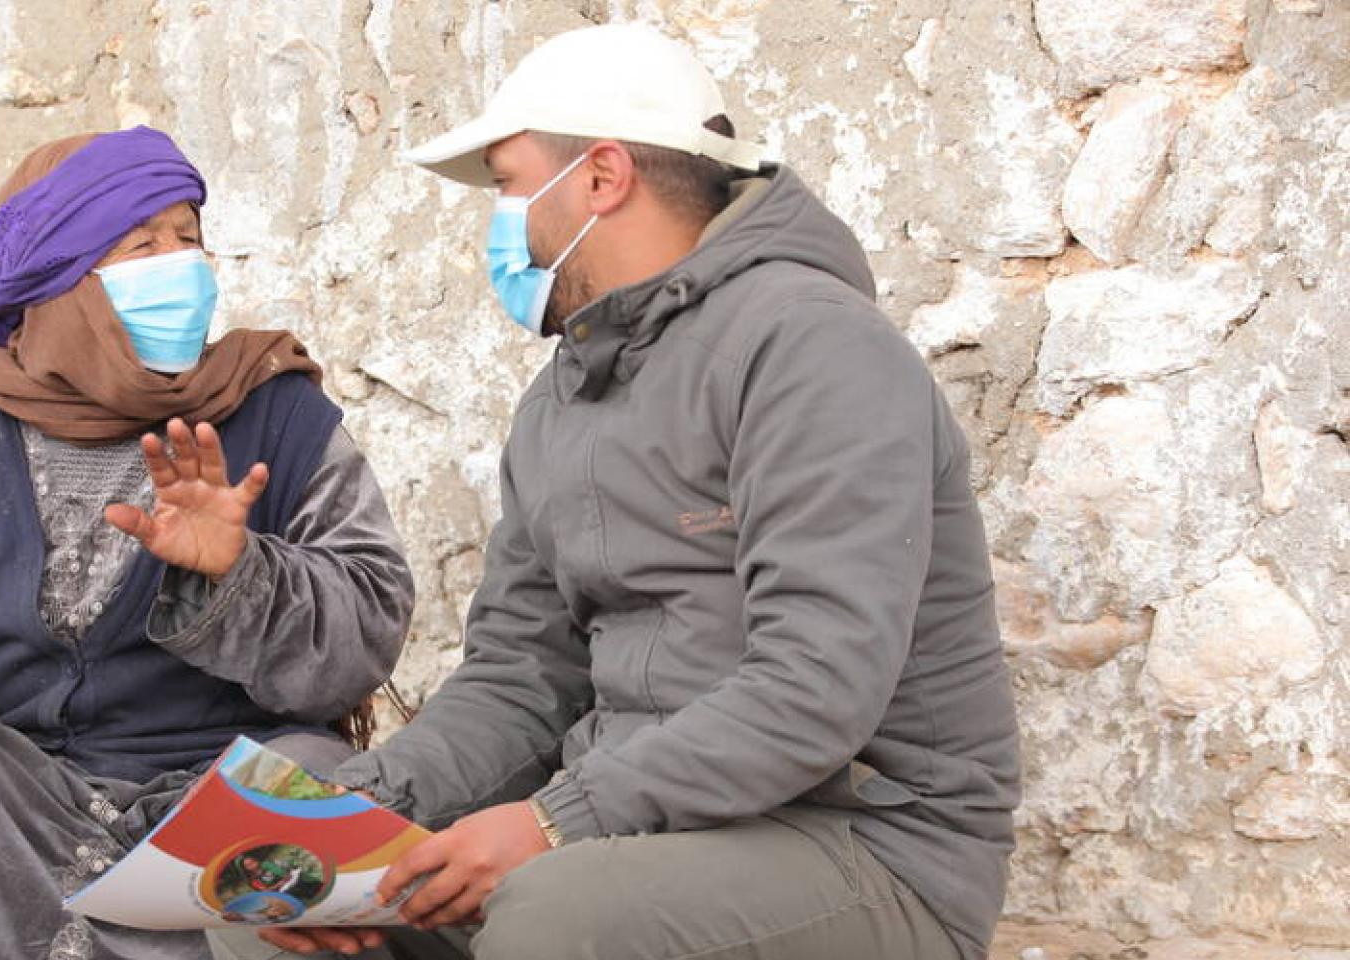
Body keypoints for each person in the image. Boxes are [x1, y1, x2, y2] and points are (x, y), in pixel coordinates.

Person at [222, 23, 1020, 960]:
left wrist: (555, 820)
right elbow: (521, 679)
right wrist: (363, 815)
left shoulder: (813, 348)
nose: (500, 223)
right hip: (626, 828)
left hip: (867, 844)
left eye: (512, 187)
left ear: (602, 178)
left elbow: (818, 682)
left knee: (559, 916)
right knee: (276, 899)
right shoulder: (558, 402)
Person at [0, 126, 415, 960]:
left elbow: (366, 636)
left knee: (317, 794)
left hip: (216, 787)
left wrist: (242, 574)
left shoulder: (281, 415)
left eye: (189, 239)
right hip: (10, 799)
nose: (180, 266)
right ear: (60, 283)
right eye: (142, 246)